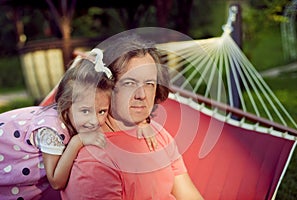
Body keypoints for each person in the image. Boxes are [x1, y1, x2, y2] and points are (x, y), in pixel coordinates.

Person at [61, 34, 204, 199]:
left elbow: (189, 195)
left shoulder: (157, 134)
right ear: (106, 86)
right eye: (129, 83)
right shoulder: (95, 160)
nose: (142, 95)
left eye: (149, 84)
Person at [0, 49, 113, 200]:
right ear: (66, 106)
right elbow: (56, 181)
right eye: (86, 111)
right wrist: (77, 141)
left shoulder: (75, 116)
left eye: (102, 111)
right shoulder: (51, 130)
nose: (95, 121)